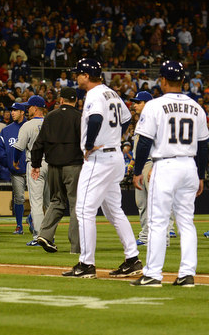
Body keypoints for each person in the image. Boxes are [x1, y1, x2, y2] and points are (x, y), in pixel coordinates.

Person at [131, 60, 209, 287]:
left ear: (163, 80)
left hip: (165, 165)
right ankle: (187, 274)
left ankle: (153, 274)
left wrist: (137, 171)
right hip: (189, 166)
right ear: (183, 80)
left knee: (158, 222)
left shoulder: (155, 105)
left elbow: (144, 142)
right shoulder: (196, 107)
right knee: (186, 222)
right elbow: (204, 146)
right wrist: (200, 175)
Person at [63, 58, 141, 279]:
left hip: (99, 158)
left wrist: (89, 144)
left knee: (84, 210)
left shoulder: (95, 94)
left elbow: (96, 118)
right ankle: (132, 259)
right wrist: (115, 137)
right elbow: (126, 118)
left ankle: (86, 264)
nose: (76, 76)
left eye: (78, 73)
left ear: (86, 76)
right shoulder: (111, 93)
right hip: (114, 156)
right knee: (114, 211)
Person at [31, 87, 82, 254]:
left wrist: (36, 164)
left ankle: (45, 234)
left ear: (61, 101)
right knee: (76, 205)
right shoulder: (79, 117)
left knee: (56, 201)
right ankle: (76, 247)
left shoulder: (50, 116)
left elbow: (39, 143)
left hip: (53, 166)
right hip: (73, 166)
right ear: (76, 101)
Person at [13, 95, 49, 246]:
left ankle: (39, 237)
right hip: (53, 164)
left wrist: (15, 161)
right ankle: (49, 236)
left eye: (29, 107)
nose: (27, 110)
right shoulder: (51, 123)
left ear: (35, 108)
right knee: (50, 203)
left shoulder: (27, 125)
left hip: (35, 164)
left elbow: (18, 148)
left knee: (36, 202)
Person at [0, 102, 28, 234]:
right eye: (12, 110)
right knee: (18, 198)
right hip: (16, 172)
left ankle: (33, 219)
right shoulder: (6, 130)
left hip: (32, 169)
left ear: (22, 112)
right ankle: (19, 225)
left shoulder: (30, 126)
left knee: (38, 198)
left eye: (15, 110)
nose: (12, 112)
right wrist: (10, 164)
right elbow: (1, 150)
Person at [130, 91, 154, 246]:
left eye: (139, 102)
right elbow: (138, 147)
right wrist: (133, 164)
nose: (135, 104)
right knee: (141, 203)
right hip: (141, 164)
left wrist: (156, 166)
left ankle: (161, 238)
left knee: (154, 204)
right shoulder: (141, 121)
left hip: (152, 163)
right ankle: (145, 236)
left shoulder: (154, 120)